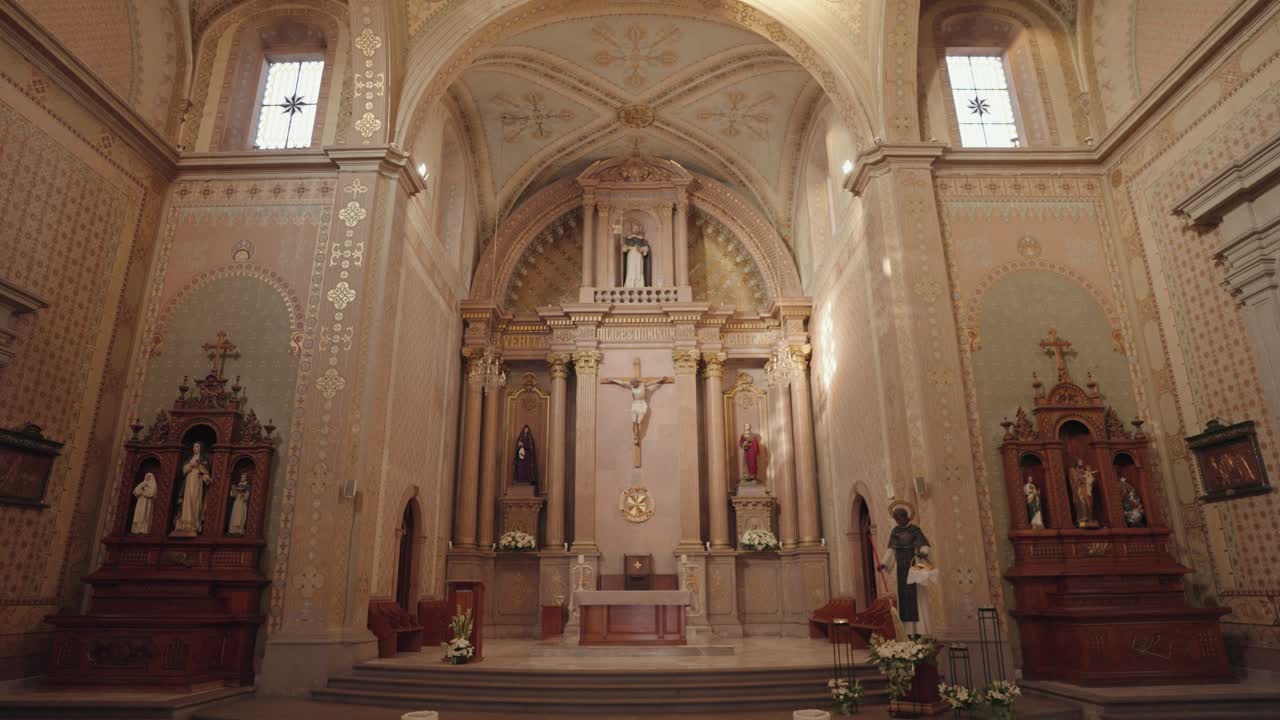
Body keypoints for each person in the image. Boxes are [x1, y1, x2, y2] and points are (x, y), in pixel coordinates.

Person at [878, 501, 930, 637]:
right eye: (895, 519)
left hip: (914, 565)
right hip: (901, 567)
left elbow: (924, 545)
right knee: (905, 598)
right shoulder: (895, 531)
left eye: (899, 518)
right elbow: (891, 550)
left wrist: (923, 552)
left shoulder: (915, 530)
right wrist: (884, 563)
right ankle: (908, 632)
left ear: (905, 516)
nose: (897, 521)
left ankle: (920, 631)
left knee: (917, 597)